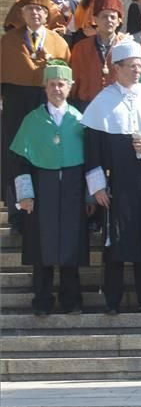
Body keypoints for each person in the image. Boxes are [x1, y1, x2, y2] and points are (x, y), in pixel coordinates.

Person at [81, 39, 141, 314]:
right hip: (116, 185)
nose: (136, 71)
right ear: (116, 68)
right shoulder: (102, 102)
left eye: (139, 66)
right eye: (131, 67)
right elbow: (92, 152)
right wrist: (97, 188)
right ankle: (112, 302)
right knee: (115, 246)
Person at [9, 61, 88, 315]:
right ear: (45, 87)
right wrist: (25, 196)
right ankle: (42, 301)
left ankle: (71, 300)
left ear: (70, 87)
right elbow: (20, 162)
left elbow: (90, 161)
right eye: (52, 84)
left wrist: (89, 195)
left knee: (70, 246)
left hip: (72, 191)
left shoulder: (80, 120)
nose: (56, 89)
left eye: (61, 84)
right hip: (42, 190)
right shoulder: (32, 120)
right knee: (41, 248)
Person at [1, 0, 72, 219]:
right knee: (16, 155)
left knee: (47, 150)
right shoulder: (8, 42)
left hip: (46, 102)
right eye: (30, 9)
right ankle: (17, 211)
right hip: (16, 104)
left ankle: (48, 207)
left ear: (46, 14)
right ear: (21, 13)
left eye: (40, 9)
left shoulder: (58, 43)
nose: (35, 13)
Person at [69, 0, 127, 110]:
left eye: (113, 17)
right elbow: (74, 79)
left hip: (118, 106)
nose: (109, 20)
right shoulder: (81, 48)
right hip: (87, 106)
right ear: (95, 20)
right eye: (104, 16)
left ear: (119, 21)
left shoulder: (127, 46)